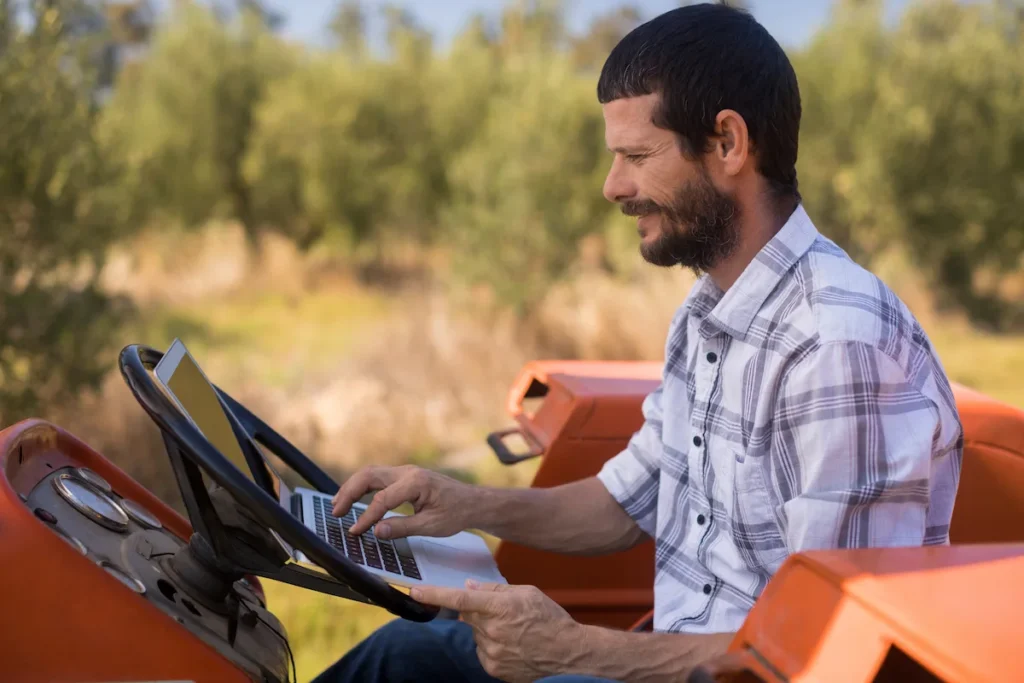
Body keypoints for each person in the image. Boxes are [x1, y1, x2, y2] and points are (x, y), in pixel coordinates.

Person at [313, 3, 963, 682]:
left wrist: (577, 651)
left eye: (636, 156)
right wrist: (463, 503)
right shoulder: (706, 312)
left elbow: (825, 645)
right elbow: (625, 504)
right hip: (671, 658)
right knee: (403, 654)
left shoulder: (836, 346)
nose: (613, 186)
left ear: (728, 144)